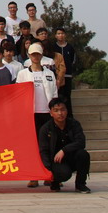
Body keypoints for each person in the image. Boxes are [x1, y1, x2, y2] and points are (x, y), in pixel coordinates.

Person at [16, 43, 58, 188]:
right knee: (32, 145)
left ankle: (48, 174)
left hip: (47, 113)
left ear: (41, 55)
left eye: (38, 54)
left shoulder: (49, 73)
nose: (35, 57)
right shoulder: (23, 74)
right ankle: (34, 176)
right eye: (33, 54)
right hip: (30, 114)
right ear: (29, 55)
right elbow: (18, 94)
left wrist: (54, 111)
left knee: (48, 145)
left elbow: (54, 94)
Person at [38, 98, 91, 193]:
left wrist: (64, 150)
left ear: (67, 111)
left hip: (72, 156)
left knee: (83, 154)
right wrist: (48, 170)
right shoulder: (45, 129)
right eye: (56, 110)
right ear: (51, 113)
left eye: (63, 110)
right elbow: (43, 150)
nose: (60, 113)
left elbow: (81, 142)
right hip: (56, 161)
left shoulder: (74, 124)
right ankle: (55, 181)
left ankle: (80, 184)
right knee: (64, 174)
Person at [54, 28, 78, 116]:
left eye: (62, 33)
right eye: (58, 33)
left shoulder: (70, 47)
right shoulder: (54, 47)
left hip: (67, 75)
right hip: (57, 76)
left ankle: (69, 116)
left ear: (65, 35)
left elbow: (72, 59)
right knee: (58, 96)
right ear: (55, 36)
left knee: (67, 96)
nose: (60, 35)